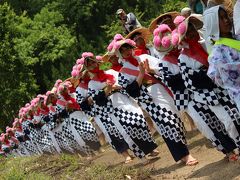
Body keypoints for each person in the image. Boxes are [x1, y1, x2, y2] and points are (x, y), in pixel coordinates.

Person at [109, 35, 198, 166]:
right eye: (123, 50)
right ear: (119, 54)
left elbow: (163, 69)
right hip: (148, 99)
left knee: (176, 120)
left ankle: (180, 153)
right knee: (167, 123)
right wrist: (140, 74)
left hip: (160, 90)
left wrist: (150, 70)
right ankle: (185, 155)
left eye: (128, 47)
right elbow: (131, 91)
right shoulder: (123, 72)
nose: (127, 51)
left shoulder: (145, 57)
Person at [173, 15, 239, 161]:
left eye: (192, 29)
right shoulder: (183, 58)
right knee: (228, 121)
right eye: (188, 32)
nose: (192, 33)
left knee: (237, 116)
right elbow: (191, 82)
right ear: (183, 38)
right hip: (208, 96)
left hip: (225, 87)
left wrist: (208, 71)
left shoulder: (207, 43)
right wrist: (208, 73)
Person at [204, 5, 240, 113]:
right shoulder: (217, 53)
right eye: (221, 18)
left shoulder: (238, 37)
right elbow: (230, 79)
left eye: (226, 16)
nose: (226, 20)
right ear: (213, 24)